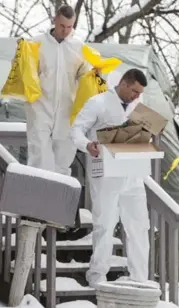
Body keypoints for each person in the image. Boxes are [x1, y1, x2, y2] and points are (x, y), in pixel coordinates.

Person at [70, 68, 150, 287]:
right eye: (134, 91)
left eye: (140, 92)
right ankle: (97, 275)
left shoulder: (140, 107)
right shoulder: (98, 102)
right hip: (105, 172)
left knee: (139, 225)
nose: (136, 96)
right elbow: (76, 130)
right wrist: (87, 145)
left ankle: (139, 277)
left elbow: (148, 133)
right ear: (123, 83)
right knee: (105, 223)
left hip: (133, 172)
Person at [25, 5, 90, 175]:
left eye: (70, 27)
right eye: (62, 26)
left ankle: (60, 198)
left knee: (64, 157)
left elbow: (86, 75)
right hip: (40, 106)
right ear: (54, 21)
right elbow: (23, 71)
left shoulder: (79, 47)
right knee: (40, 156)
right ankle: (40, 197)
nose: (66, 31)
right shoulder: (35, 43)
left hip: (67, 109)